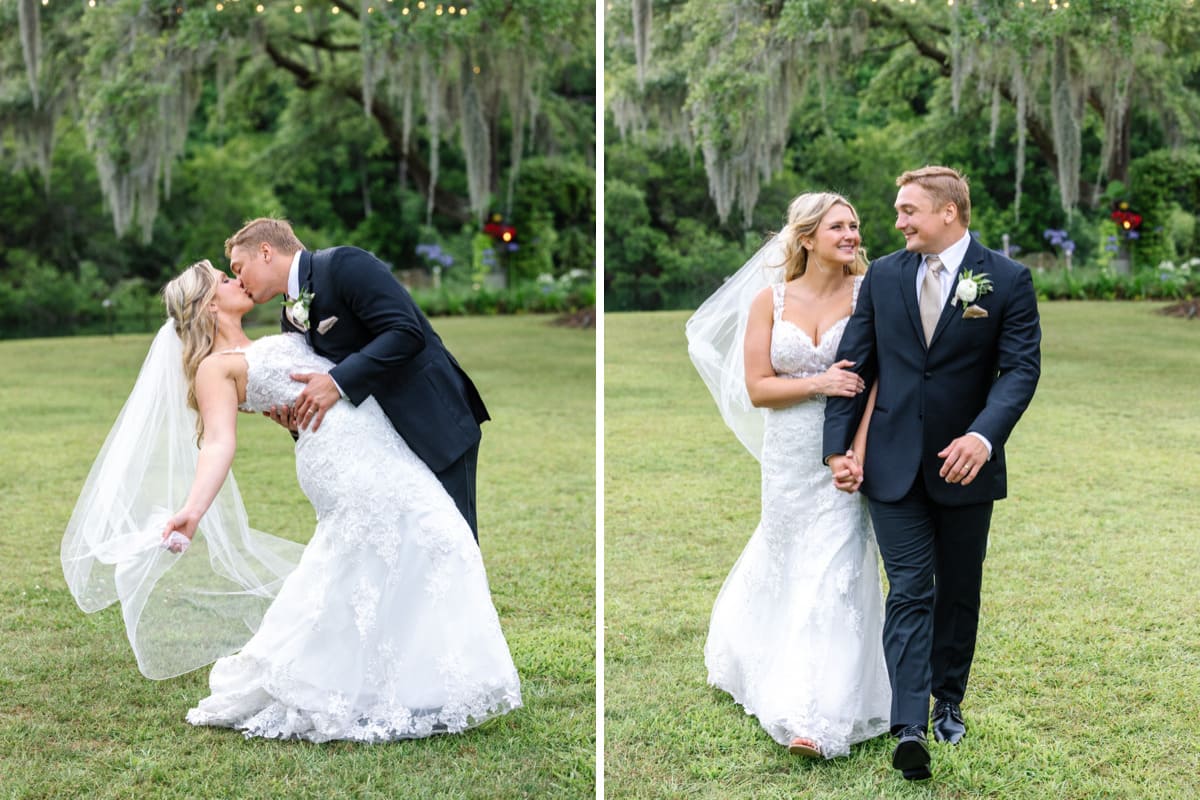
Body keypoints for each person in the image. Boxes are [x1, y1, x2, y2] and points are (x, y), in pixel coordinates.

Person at [62, 261, 520, 742]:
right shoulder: (215, 369)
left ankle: (414, 681)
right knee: (408, 546)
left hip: (381, 443)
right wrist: (193, 511)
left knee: (431, 545)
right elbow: (218, 443)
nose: (235, 279)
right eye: (223, 279)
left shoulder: (284, 327)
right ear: (208, 304)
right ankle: (341, 681)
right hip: (341, 464)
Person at [823, 166, 1041, 780]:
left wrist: (983, 435)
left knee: (959, 589)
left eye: (908, 210)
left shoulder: (1007, 280)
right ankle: (910, 723)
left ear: (949, 212)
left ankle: (950, 700)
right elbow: (856, 363)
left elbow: (1020, 370)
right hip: (890, 464)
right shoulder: (884, 277)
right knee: (911, 589)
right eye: (896, 211)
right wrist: (837, 447)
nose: (896, 222)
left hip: (966, 464)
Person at [687, 192, 891, 759]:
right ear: (806, 238)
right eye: (837, 227)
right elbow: (758, 387)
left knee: (835, 572)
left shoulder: (869, 293)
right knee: (788, 560)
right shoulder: (768, 301)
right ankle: (761, 660)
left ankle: (814, 717)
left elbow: (879, 383)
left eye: (855, 225)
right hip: (788, 455)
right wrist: (819, 384)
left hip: (849, 453)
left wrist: (859, 453)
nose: (851, 235)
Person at [226, 218, 489, 540]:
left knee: (452, 539)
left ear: (265, 252)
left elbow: (405, 332)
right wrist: (297, 422)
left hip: (432, 420)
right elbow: (317, 386)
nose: (239, 281)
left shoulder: (343, 264)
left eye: (239, 268)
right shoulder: (291, 317)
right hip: (381, 442)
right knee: (409, 545)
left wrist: (335, 381)